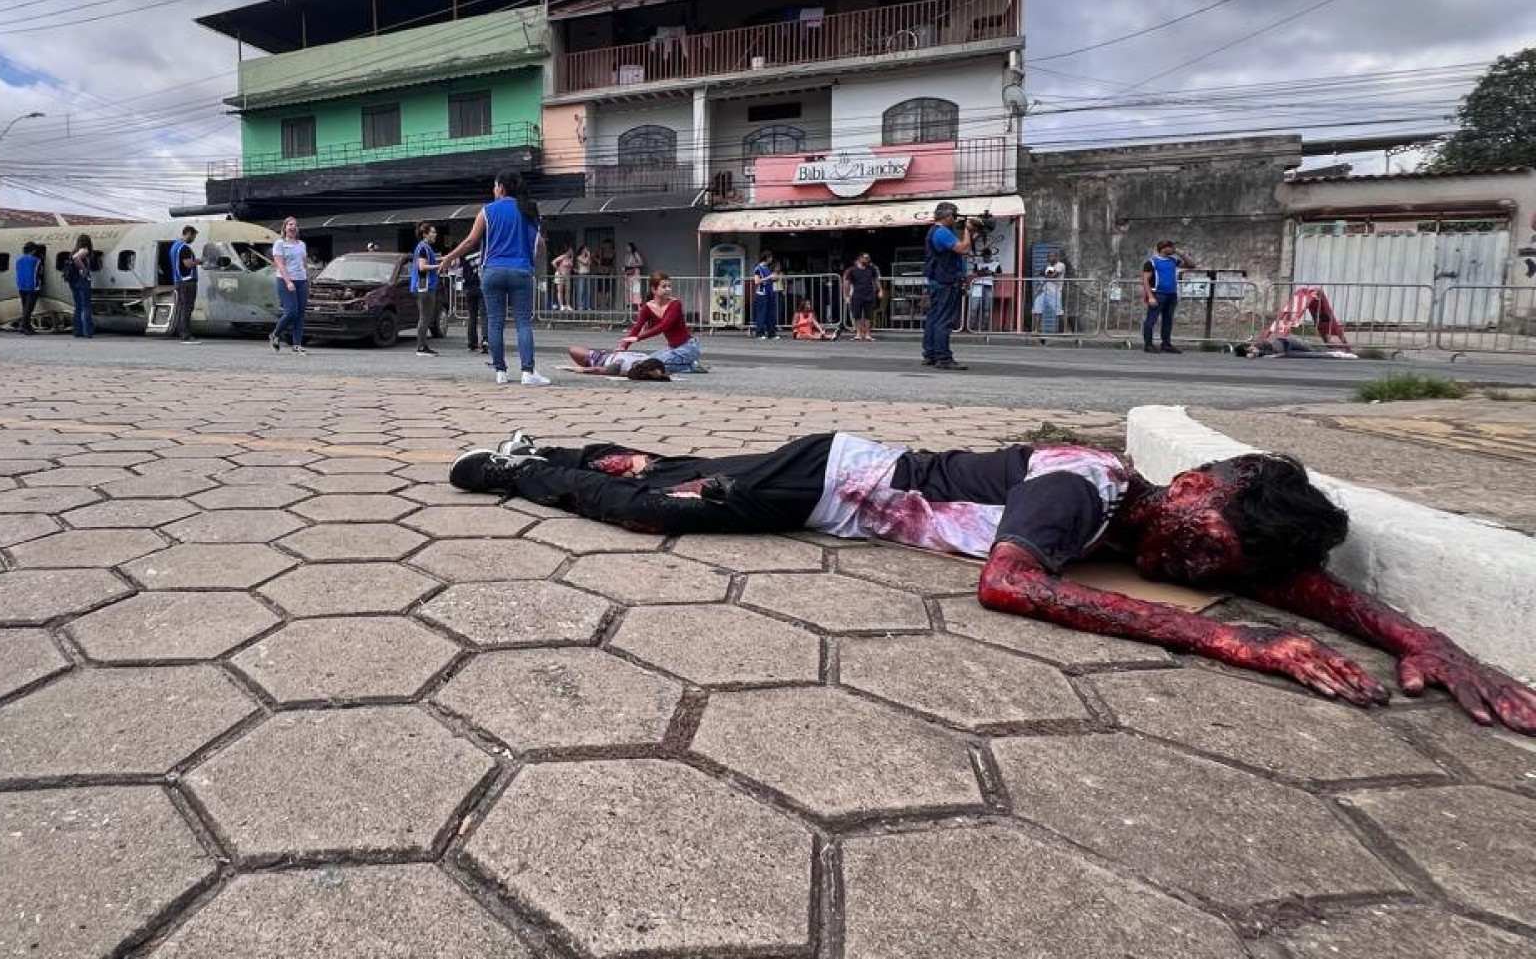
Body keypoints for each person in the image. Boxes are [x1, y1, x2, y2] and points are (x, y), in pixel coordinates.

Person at [449, 434, 1536, 735]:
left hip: (837, 481)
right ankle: (520, 469)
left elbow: (1289, 580)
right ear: (1193, 484)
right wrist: (1234, 641)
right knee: (656, 511)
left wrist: (1422, 639)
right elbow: (1010, 587)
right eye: (1206, 548)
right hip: (835, 483)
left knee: (681, 477)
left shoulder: (1156, 520)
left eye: (1221, 573)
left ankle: (586, 449)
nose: (1202, 573)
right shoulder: (1082, 486)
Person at [439, 171, 548, 386]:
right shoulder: (528, 210)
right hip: (520, 271)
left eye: (495, 186)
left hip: (492, 272)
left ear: (501, 188)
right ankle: (528, 372)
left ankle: (500, 372)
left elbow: (471, 241)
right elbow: (539, 244)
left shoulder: (487, 211)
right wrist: (532, 263)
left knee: (495, 322)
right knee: (523, 323)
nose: (493, 189)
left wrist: (449, 257)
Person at [611, 272, 700, 373]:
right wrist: (624, 346)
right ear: (654, 289)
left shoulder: (675, 304)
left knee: (651, 366)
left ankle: (690, 367)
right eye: (664, 287)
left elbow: (664, 326)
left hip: (687, 347)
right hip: (672, 348)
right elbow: (637, 327)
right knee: (646, 362)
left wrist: (639, 338)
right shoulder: (648, 307)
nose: (668, 289)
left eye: (669, 286)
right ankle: (688, 364)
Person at [923, 203, 972, 370]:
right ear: (948, 216)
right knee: (944, 320)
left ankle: (930, 354)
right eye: (955, 216)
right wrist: (967, 231)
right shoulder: (942, 232)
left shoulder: (934, 231)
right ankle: (943, 357)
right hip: (946, 281)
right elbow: (963, 248)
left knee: (934, 318)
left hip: (937, 280)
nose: (956, 219)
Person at [1142, 240, 1192, 355]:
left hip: (1171, 294)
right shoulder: (1151, 262)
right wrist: (1150, 297)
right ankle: (1148, 344)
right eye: (1171, 247)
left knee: (1168, 320)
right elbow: (1145, 281)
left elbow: (1191, 265)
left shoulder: (1173, 260)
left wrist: (1181, 253)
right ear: (1164, 248)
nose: (1173, 249)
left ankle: (1166, 344)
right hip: (1158, 294)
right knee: (1151, 320)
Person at [270, 217, 309, 354]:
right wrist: (288, 281)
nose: (293, 227)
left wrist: (307, 278)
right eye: (290, 225)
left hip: (301, 280)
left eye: (295, 225)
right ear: (285, 228)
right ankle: (275, 334)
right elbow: (280, 265)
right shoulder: (279, 244)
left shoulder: (301, 244)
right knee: (291, 311)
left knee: (300, 314)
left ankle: (297, 345)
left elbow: (304, 263)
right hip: (285, 280)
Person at [412, 221, 442, 357]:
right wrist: (439, 266)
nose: (435, 234)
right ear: (425, 234)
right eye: (433, 232)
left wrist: (442, 259)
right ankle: (421, 347)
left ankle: (423, 345)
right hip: (424, 286)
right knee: (424, 317)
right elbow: (422, 267)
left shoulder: (425, 247)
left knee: (426, 317)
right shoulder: (423, 248)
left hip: (426, 286)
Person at [168, 225, 200, 343]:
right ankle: (185, 334)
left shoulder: (174, 246)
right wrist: (199, 261)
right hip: (187, 281)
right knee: (187, 308)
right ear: (189, 233)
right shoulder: (185, 248)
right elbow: (187, 264)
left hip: (178, 280)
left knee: (182, 307)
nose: (194, 239)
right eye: (194, 236)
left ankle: (181, 331)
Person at [63, 235, 96, 338]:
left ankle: (78, 331)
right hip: (82, 281)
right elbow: (76, 258)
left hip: (73, 281)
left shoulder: (73, 251)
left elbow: (74, 257)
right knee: (86, 306)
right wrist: (84, 269)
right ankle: (87, 331)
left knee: (78, 306)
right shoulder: (84, 250)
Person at [843, 252, 879, 342]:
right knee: (857, 315)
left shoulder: (871, 269)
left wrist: (880, 290)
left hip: (869, 294)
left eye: (868, 258)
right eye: (865, 258)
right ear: (860, 258)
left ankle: (867, 334)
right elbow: (847, 283)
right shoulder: (852, 270)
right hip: (857, 294)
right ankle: (858, 334)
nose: (867, 259)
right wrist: (846, 295)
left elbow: (876, 280)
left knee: (868, 315)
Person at [457, 248, 485, 354]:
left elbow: (460, 270)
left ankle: (472, 342)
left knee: (472, 316)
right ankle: (485, 341)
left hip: (469, 287)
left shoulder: (464, 253)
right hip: (481, 286)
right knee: (485, 315)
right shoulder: (484, 250)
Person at [1035, 252, 1068, 335]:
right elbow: (1040, 273)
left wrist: (1045, 273)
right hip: (1044, 291)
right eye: (1048, 256)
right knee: (1037, 310)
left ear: (1056, 257)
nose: (1049, 258)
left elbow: (1054, 275)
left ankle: (1065, 331)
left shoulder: (1060, 265)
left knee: (1059, 312)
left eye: (1052, 256)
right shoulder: (1048, 266)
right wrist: (1039, 288)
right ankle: (1036, 330)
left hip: (1055, 292)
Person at [14, 242, 44, 334]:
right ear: (33, 250)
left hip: (21, 286)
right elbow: (40, 272)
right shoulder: (37, 260)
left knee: (25, 307)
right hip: (32, 286)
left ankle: (27, 326)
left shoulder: (18, 260)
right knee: (29, 309)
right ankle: (24, 326)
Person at [751, 250, 778, 340]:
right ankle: (759, 333)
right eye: (770, 257)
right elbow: (757, 281)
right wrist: (769, 277)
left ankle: (771, 333)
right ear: (767, 258)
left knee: (771, 314)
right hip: (762, 294)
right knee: (761, 314)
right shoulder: (758, 268)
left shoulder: (767, 268)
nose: (771, 259)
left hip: (770, 292)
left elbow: (768, 279)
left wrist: (774, 278)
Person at [551, 245, 573, 312]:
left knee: (567, 290)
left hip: (567, 276)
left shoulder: (570, 258)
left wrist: (572, 256)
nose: (571, 251)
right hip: (560, 275)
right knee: (560, 291)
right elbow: (553, 262)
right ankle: (561, 305)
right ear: (567, 251)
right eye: (570, 250)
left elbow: (570, 267)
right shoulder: (563, 256)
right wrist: (559, 270)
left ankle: (567, 305)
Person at [624, 243, 646, 309]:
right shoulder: (626, 255)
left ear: (631, 247)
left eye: (628, 247)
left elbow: (641, 263)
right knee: (628, 290)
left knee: (636, 289)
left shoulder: (635, 254)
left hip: (635, 273)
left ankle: (638, 305)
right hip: (628, 273)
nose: (627, 248)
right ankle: (629, 304)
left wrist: (633, 265)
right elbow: (626, 264)